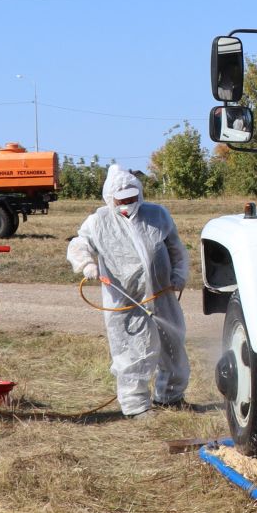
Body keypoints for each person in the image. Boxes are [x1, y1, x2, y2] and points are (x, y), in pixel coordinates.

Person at [66, 165, 189, 417]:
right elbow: (78, 244)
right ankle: (136, 406)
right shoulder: (99, 221)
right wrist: (87, 264)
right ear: (110, 199)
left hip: (162, 294)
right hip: (126, 300)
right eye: (122, 200)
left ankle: (170, 397)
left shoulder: (157, 215)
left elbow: (176, 248)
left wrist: (178, 275)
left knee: (173, 344)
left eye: (132, 198)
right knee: (132, 351)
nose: (128, 203)